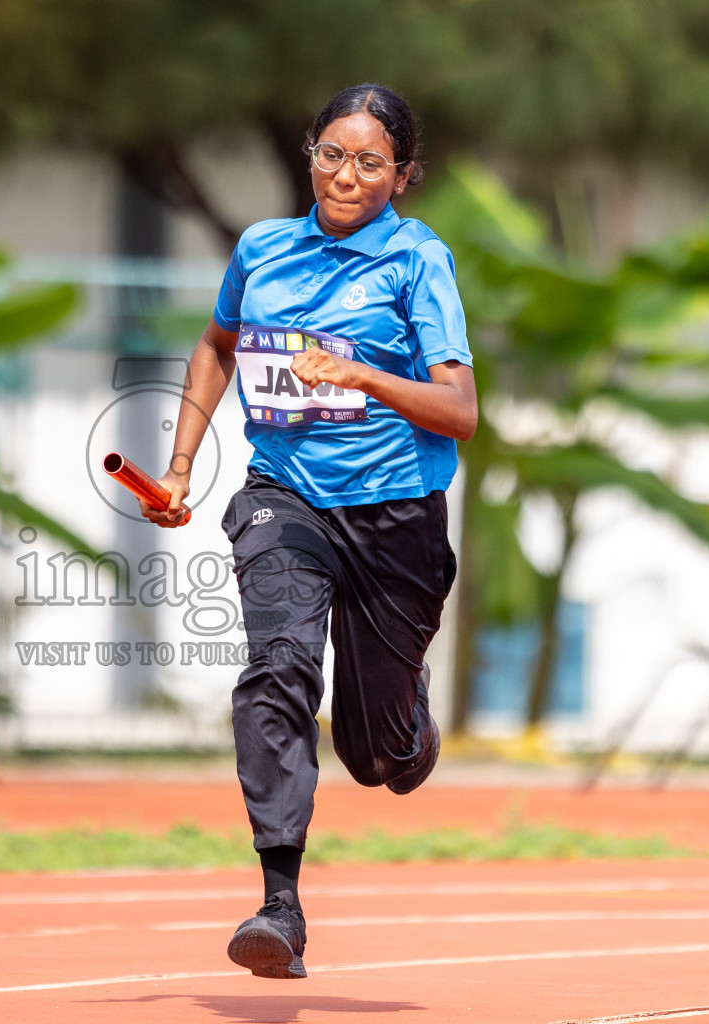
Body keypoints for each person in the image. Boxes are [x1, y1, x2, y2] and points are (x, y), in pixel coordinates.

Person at [139, 83, 477, 980]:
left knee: (375, 759)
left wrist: (364, 377)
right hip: (282, 494)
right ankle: (278, 905)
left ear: (402, 175)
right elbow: (217, 345)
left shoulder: (416, 261)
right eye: (332, 153)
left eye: (371, 162)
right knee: (279, 664)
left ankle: (406, 728)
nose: (346, 175)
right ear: (309, 152)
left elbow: (459, 409)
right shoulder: (263, 250)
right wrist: (179, 467)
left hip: (395, 513)